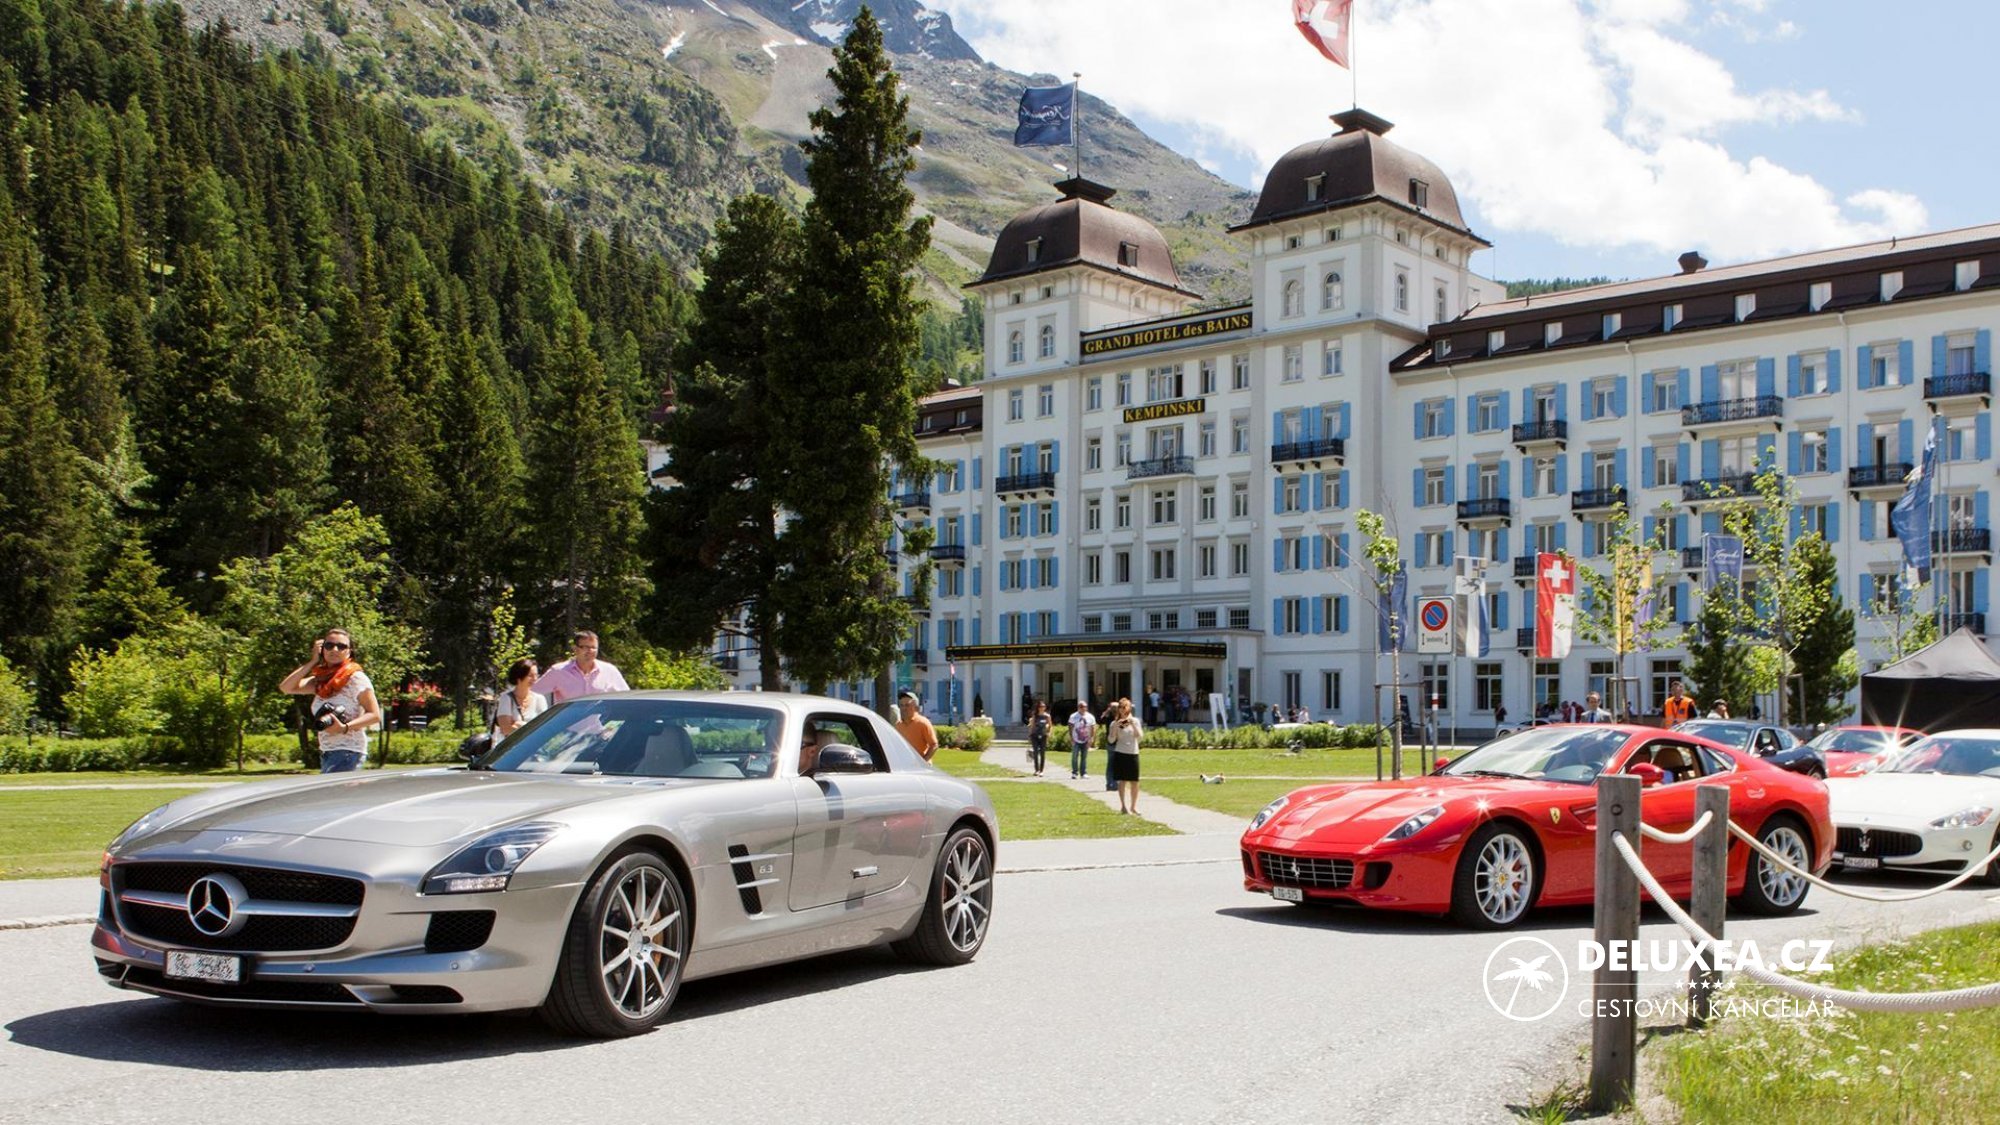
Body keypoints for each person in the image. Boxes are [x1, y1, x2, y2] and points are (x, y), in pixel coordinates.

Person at [279, 628, 383, 773]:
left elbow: (374, 715)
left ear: (349, 651)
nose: (335, 650)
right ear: (322, 649)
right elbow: (286, 687)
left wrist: (344, 727)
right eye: (329, 645)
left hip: (348, 751)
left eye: (341, 646)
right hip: (328, 751)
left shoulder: (356, 678)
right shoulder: (321, 680)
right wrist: (313, 661)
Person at [537, 631, 630, 704]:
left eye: (594, 647)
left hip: (599, 723)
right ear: (575, 648)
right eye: (585, 647)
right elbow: (533, 693)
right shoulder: (559, 671)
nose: (590, 651)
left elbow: (626, 698)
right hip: (567, 723)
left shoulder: (609, 671)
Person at [493, 659, 547, 738]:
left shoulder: (540, 699)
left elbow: (544, 727)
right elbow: (505, 729)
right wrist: (531, 727)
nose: (535, 678)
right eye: (530, 675)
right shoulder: (506, 699)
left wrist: (519, 725)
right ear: (519, 677)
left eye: (536, 675)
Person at [1108, 698, 1144, 815]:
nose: (1123, 709)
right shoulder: (1115, 723)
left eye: (1125, 707)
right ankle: (1123, 806)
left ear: (1129, 708)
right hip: (1121, 752)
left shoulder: (1135, 721)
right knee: (1122, 781)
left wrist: (1133, 724)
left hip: (1133, 753)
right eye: (1121, 707)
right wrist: (1115, 727)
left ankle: (1133, 806)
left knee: (1135, 781)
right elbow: (1111, 740)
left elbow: (1140, 737)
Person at [895, 691, 939, 761]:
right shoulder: (898, 725)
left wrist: (923, 761)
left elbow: (934, 745)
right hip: (903, 764)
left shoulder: (923, 723)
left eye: (907, 705)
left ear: (916, 707)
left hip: (920, 765)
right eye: (901, 705)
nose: (904, 708)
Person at [1067, 700, 1096, 779]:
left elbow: (1093, 727)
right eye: (1081, 707)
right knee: (1074, 756)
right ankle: (1074, 773)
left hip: (1086, 739)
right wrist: (1071, 738)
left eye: (1085, 707)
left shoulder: (1090, 716)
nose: (1083, 708)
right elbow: (1070, 727)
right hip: (1076, 739)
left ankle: (1083, 773)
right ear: (1078, 708)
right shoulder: (1073, 716)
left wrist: (1091, 738)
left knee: (1084, 757)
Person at [1027, 699, 1052, 776]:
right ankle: (1036, 770)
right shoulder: (1035, 716)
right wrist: (1030, 735)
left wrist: (1049, 733)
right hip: (1035, 735)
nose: (1042, 708)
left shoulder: (1047, 716)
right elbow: (1032, 726)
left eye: (1043, 706)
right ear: (1038, 707)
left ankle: (1041, 770)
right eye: (1041, 706)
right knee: (1035, 752)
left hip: (1043, 735)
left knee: (1042, 753)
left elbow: (1050, 725)